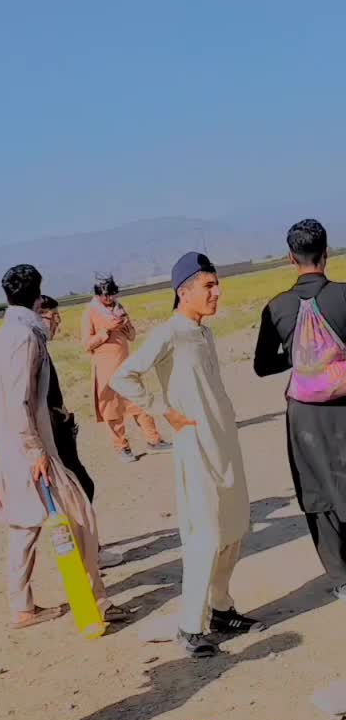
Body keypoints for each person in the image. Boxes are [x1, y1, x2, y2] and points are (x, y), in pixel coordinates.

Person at [111, 252, 265, 656]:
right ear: (184, 292)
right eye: (208, 286)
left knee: (233, 530)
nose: (217, 292)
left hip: (224, 444)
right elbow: (123, 376)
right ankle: (189, 627)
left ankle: (221, 610)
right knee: (206, 536)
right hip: (196, 448)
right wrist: (163, 411)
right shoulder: (170, 333)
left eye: (217, 284)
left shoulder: (204, 334)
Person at [0, 264, 130, 629]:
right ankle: (96, 602)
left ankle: (22, 607)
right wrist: (35, 450)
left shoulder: (6, 333)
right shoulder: (25, 337)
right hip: (33, 450)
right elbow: (20, 399)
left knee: (25, 526)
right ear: (38, 296)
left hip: (15, 446)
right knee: (80, 516)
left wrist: (1, 400)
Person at [254, 218, 346, 599]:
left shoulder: (277, 306)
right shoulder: (343, 296)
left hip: (304, 416)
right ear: (326, 252)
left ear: (291, 258)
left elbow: (262, 366)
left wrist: (301, 359)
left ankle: (341, 578)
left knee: (317, 490)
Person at [35, 294, 123, 571]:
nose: (58, 322)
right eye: (53, 316)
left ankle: (89, 549)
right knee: (80, 490)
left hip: (57, 427)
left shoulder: (38, 345)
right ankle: (89, 553)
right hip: (50, 433)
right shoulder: (31, 347)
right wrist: (54, 415)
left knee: (80, 488)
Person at [81, 275, 169, 462]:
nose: (109, 299)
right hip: (105, 370)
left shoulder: (119, 308)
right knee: (112, 411)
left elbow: (132, 337)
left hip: (126, 366)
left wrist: (126, 325)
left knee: (140, 403)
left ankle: (154, 441)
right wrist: (106, 330)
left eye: (112, 295)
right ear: (97, 295)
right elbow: (86, 345)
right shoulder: (90, 312)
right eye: (105, 295)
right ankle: (122, 448)